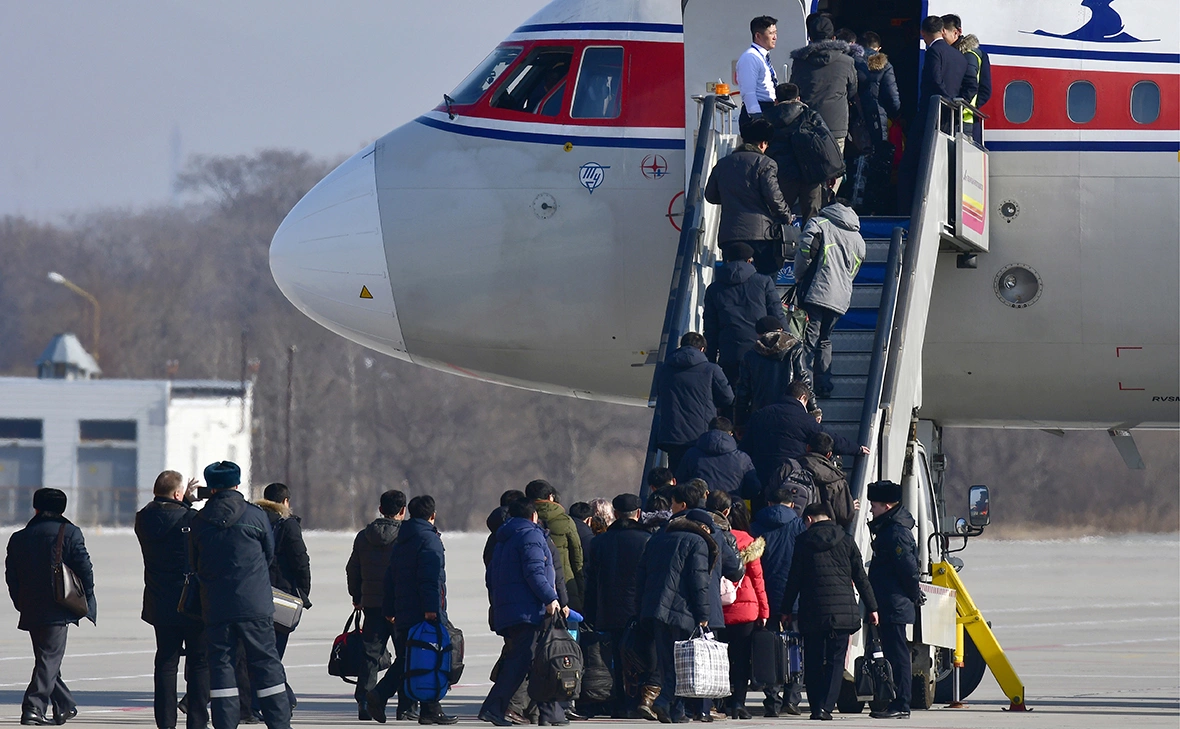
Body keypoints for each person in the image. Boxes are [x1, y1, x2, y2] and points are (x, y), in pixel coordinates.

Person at [189, 461, 291, 729]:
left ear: (210, 486)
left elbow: (194, 562)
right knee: (266, 664)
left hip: (216, 606)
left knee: (221, 666)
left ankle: (225, 724)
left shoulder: (199, 521)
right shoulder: (255, 516)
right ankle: (279, 723)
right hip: (254, 603)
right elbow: (269, 554)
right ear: (237, 483)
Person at [779, 503, 879, 721]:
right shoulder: (846, 539)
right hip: (842, 612)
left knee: (813, 660)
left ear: (809, 519)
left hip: (813, 611)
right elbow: (861, 577)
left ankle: (815, 706)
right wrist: (873, 607)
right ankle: (825, 707)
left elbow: (793, 580)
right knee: (835, 662)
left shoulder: (803, 542)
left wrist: (785, 610)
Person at [5, 487, 95, 726]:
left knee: (46, 658)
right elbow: (84, 568)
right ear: (62, 509)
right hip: (58, 604)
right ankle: (33, 707)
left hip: (30, 605)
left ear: (36, 508)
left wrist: (20, 600)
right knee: (49, 659)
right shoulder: (70, 533)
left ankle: (64, 704)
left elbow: (11, 575)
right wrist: (87, 597)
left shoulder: (18, 537)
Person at [372, 495, 457, 725]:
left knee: (415, 658)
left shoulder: (403, 539)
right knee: (423, 657)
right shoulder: (429, 540)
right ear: (433, 515)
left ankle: (430, 710)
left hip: (403, 609)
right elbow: (430, 579)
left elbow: (390, 577)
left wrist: (390, 607)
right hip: (423, 610)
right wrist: (432, 609)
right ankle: (379, 696)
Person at [480, 499, 565, 727]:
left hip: (509, 608)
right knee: (521, 661)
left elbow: (491, 577)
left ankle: (548, 713)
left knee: (525, 660)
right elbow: (535, 572)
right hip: (527, 610)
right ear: (533, 516)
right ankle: (494, 708)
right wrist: (550, 597)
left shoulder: (503, 538)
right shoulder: (531, 536)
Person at [136, 471, 209, 729]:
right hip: (191, 602)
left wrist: (184, 501)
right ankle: (197, 720)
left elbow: (168, 520)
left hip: (159, 600)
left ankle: (165, 722)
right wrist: (189, 504)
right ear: (179, 494)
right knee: (200, 661)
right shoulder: (192, 518)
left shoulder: (142, 518)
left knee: (166, 661)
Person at [634, 508, 716, 723]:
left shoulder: (657, 540)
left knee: (667, 662)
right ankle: (664, 702)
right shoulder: (697, 542)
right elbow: (699, 582)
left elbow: (640, 577)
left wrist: (640, 608)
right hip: (683, 609)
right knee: (684, 663)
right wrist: (703, 614)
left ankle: (676, 711)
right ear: (704, 528)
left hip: (656, 609)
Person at [582, 493, 653, 719]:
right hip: (638, 608)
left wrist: (591, 611)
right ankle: (638, 700)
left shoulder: (599, 542)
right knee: (641, 655)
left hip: (608, 608)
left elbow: (591, 580)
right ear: (638, 514)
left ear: (615, 514)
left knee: (615, 657)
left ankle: (620, 702)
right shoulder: (647, 540)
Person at [794, 195, 866, 398]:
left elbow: (805, 253)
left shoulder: (818, 224)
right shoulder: (858, 238)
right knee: (825, 340)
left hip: (815, 292)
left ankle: (805, 388)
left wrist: (798, 276)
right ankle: (824, 385)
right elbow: (854, 271)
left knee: (808, 341)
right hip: (841, 297)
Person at [703, 120, 795, 277]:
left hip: (729, 234)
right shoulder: (765, 163)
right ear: (762, 144)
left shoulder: (723, 164)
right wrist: (786, 216)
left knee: (732, 279)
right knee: (767, 277)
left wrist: (731, 198)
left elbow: (710, 196)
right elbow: (774, 196)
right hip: (761, 235)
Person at [345, 490, 407, 720]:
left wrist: (357, 596)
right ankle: (405, 706)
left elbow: (353, 568)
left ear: (380, 509)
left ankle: (364, 700)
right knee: (405, 655)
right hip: (400, 606)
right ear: (403, 511)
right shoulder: (407, 536)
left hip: (371, 604)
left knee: (370, 655)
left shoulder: (363, 536)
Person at [748, 488, 807, 716]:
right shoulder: (800, 527)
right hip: (794, 597)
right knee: (795, 646)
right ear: (791, 505)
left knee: (768, 648)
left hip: (764, 596)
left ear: (770, 502)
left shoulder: (755, 527)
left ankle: (771, 698)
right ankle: (792, 697)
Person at [898, 16, 967, 212]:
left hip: (930, 113)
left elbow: (935, 80)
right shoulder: (959, 57)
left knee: (910, 164)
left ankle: (906, 210)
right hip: (949, 117)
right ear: (943, 30)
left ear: (923, 33)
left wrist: (945, 98)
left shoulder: (934, 51)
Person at [866, 481, 923, 720]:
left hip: (895, 602)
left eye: (874, 506)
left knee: (898, 654)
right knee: (893, 652)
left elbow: (908, 568)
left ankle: (902, 703)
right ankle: (896, 700)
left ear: (887, 505)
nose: (871, 511)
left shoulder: (895, 533)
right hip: (891, 600)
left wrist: (913, 593)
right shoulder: (889, 529)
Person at [742, 381, 867, 487]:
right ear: (802, 398)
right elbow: (829, 439)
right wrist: (857, 449)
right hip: (789, 476)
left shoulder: (760, 415)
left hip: (761, 475)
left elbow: (745, 447)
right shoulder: (804, 419)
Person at [712, 493, 768, 720]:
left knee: (719, 658)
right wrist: (764, 610)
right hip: (745, 610)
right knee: (742, 659)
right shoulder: (748, 541)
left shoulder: (713, 538)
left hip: (718, 609)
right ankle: (738, 704)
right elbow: (758, 579)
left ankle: (720, 702)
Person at [789, 14, 857, 193]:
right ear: (834, 38)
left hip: (807, 122)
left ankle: (813, 205)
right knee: (835, 167)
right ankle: (829, 201)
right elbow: (853, 90)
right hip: (836, 123)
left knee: (809, 166)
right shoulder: (847, 61)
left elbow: (794, 89)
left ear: (810, 37)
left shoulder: (800, 61)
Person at [703, 241, 786, 385]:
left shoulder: (713, 289)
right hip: (761, 350)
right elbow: (777, 315)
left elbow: (711, 329)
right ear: (750, 261)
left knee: (733, 399)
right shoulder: (764, 282)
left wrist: (709, 360)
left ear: (727, 261)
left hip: (730, 353)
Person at [654, 332, 734, 473]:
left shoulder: (665, 368)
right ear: (702, 349)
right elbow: (728, 397)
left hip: (672, 435)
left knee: (676, 475)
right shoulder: (711, 369)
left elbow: (659, 392)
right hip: (700, 435)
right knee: (698, 478)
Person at [764, 83, 833, 223]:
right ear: (798, 99)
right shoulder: (811, 115)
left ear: (776, 101)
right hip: (810, 173)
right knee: (812, 218)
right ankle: (809, 244)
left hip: (781, 173)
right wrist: (830, 172)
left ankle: (780, 243)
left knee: (780, 215)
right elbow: (826, 142)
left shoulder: (767, 118)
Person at [257, 484, 311, 659]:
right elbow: (300, 561)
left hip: (252, 592)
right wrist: (302, 593)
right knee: (274, 653)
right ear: (285, 501)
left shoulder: (252, 519)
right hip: (281, 595)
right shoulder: (287, 525)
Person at [735, 315, 810, 427]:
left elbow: (743, 391)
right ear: (780, 330)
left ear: (759, 334)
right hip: (790, 413)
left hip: (760, 414)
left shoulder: (750, 355)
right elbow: (803, 380)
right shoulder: (795, 349)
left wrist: (739, 422)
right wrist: (813, 410)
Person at [526, 479, 585, 611]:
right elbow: (577, 558)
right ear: (550, 496)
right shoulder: (565, 521)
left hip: (532, 587)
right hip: (565, 583)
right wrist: (580, 588)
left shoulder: (523, 521)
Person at [676, 416, 760, 498]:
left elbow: (681, 483)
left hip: (699, 506)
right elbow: (754, 489)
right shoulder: (743, 458)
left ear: (708, 430)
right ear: (730, 434)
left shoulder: (691, 453)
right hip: (730, 506)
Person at [800, 432, 857, 529]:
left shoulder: (789, 467)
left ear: (808, 448)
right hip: (823, 532)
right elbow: (844, 515)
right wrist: (850, 506)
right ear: (829, 454)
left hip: (794, 528)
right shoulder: (836, 478)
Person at [736, 15, 779, 134]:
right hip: (758, 111)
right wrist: (757, 118)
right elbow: (748, 91)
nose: (775, 37)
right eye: (771, 33)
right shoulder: (750, 58)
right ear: (758, 36)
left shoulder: (762, 57)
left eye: (775, 32)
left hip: (768, 109)